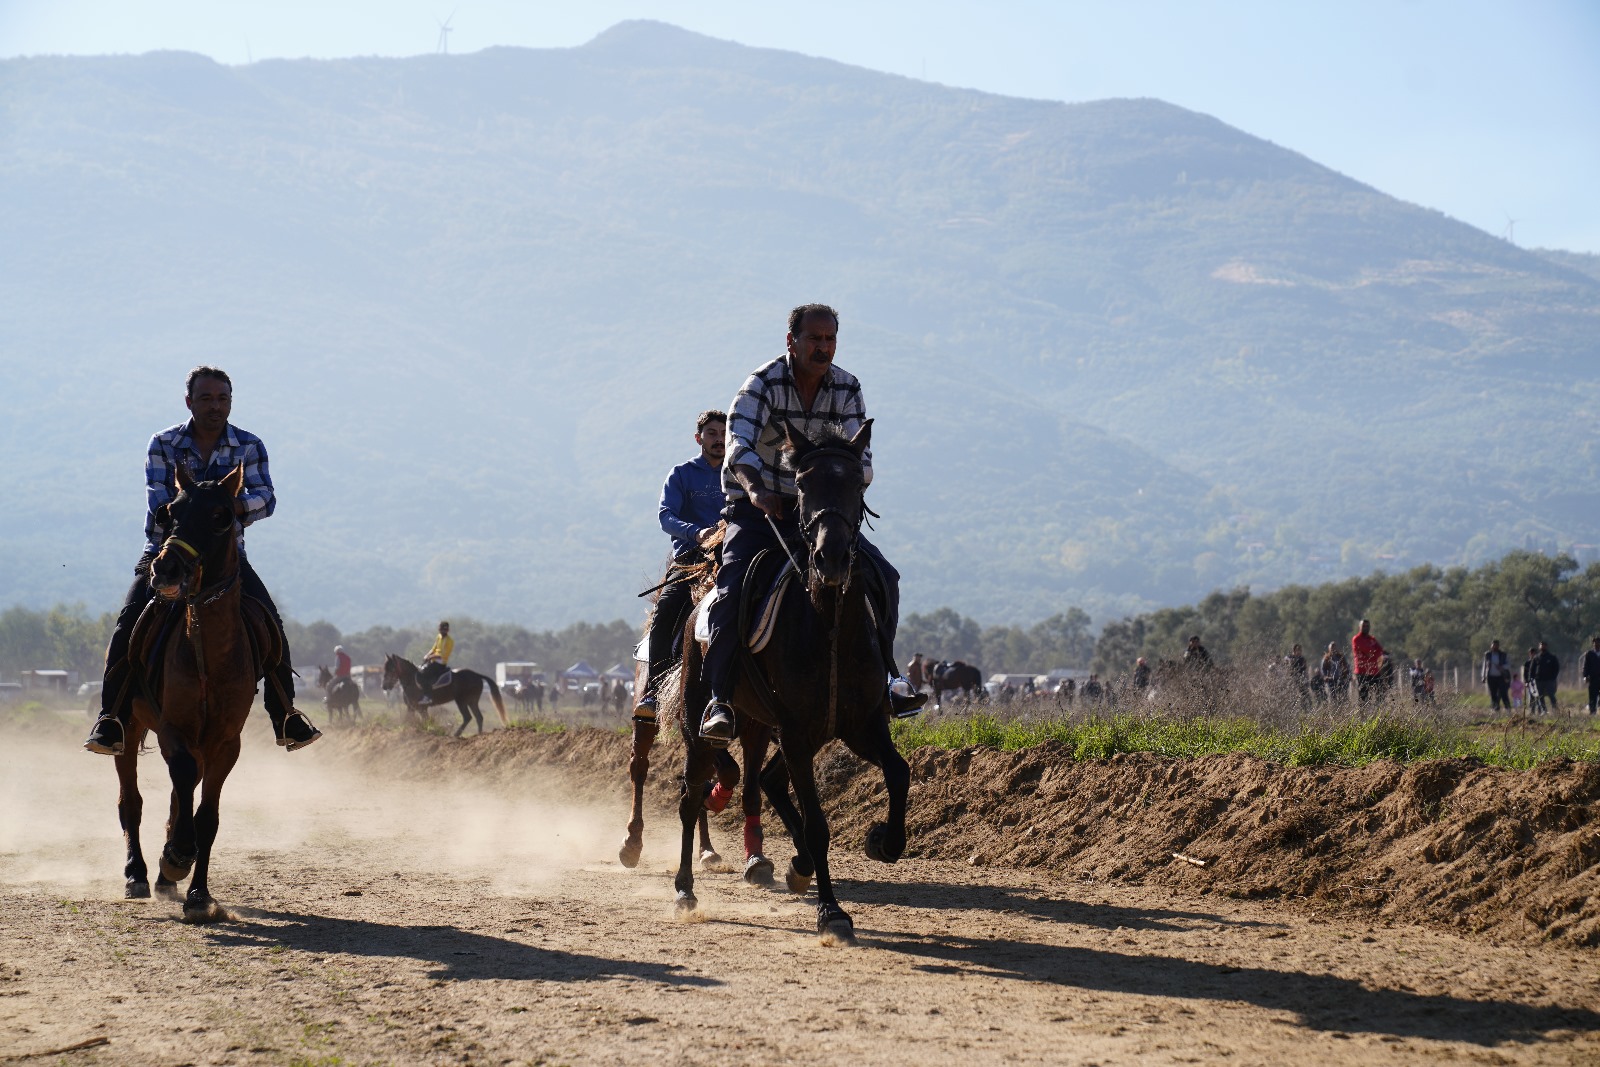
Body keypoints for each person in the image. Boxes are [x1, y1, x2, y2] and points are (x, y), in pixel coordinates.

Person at [699, 303, 925, 745]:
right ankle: (720, 699)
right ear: (792, 342)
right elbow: (737, 445)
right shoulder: (761, 385)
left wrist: (841, 489)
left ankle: (891, 682)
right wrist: (757, 490)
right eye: (814, 339)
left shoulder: (847, 387)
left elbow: (863, 457)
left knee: (885, 577)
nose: (823, 348)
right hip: (761, 509)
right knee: (732, 589)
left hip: (821, 511)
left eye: (830, 340)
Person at [85, 366, 320, 755]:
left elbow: (266, 498)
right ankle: (110, 719)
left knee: (271, 624)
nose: (215, 406)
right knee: (127, 625)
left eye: (222, 399)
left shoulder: (249, 445)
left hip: (226, 559)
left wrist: (225, 509)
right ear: (189, 401)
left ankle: (285, 715)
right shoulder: (164, 443)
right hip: (168, 554)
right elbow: (160, 502)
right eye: (207, 398)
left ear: (231, 402)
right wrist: (208, 511)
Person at [635, 410, 728, 718]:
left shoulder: (738, 473)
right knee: (666, 612)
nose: (718, 439)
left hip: (732, 555)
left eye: (723, 434)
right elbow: (666, 516)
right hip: (691, 560)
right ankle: (654, 690)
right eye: (712, 433)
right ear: (698, 438)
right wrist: (697, 532)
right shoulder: (682, 474)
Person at [416, 621, 452, 706]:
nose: (442, 631)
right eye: (440, 629)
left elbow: (443, 655)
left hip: (441, 663)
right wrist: (427, 655)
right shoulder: (438, 637)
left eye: (444, 629)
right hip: (433, 661)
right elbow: (433, 648)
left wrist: (431, 657)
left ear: (447, 630)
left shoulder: (450, 641)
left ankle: (428, 696)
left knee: (424, 674)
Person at [1351, 620, 1385, 706]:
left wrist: (1373, 653)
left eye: (1367, 626)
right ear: (1359, 627)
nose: (1366, 628)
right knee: (1363, 697)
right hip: (1362, 672)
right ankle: (1363, 716)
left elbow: (1380, 650)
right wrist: (1373, 652)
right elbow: (1367, 650)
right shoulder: (1356, 639)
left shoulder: (1372, 639)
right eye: (1364, 626)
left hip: (1374, 671)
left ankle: (1377, 714)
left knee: (1380, 694)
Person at [1531, 641, 1561, 715]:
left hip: (1549, 680)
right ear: (1539, 646)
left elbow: (1556, 668)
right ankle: (1544, 710)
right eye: (1541, 645)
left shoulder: (1552, 657)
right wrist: (1531, 678)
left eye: (1544, 645)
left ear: (1546, 646)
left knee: (1551, 694)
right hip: (1539, 680)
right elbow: (1532, 669)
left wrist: (1553, 677)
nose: (1542, 647)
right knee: (1540, 696)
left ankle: (1555, 709)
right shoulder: (1536, 657)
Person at [1482, 639, 1511, 713]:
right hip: (1491, 677)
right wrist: (1483, 676)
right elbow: (1484, 666)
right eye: (1493, 645)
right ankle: (1495, 709)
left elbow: (1508, 665)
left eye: (1496, 645)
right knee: (1493, 693)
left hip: (1501, 677)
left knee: (1503, 692)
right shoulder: (1487, 655)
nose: (1495, 647)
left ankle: (1507, 708)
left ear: (1498, 646)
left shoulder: (1503, 655)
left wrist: (1502, 667)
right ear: (1491, 646)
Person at [1581, 636, 1600, 717]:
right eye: (1595, 642)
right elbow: (1585, 666)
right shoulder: (1589, 654)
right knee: (1592, 696)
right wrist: (1585, 676)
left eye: (1598, 642)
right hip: (1593, 678)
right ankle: (1592, 712)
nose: (1596, 644)